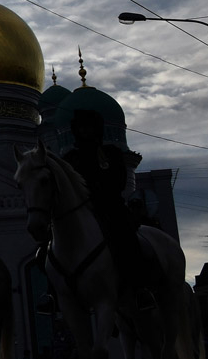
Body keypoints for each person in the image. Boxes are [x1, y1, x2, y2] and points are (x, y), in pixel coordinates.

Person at [61, 109, 153, 308]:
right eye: (82, 128)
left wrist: (100, 190)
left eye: (89, 127)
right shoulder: (71, 158)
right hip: (82, 209)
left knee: (127, 237)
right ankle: (53, 293)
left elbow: (119, 181)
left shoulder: (110, 153)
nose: (86, 131)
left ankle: (140, 288)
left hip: (110, 207)